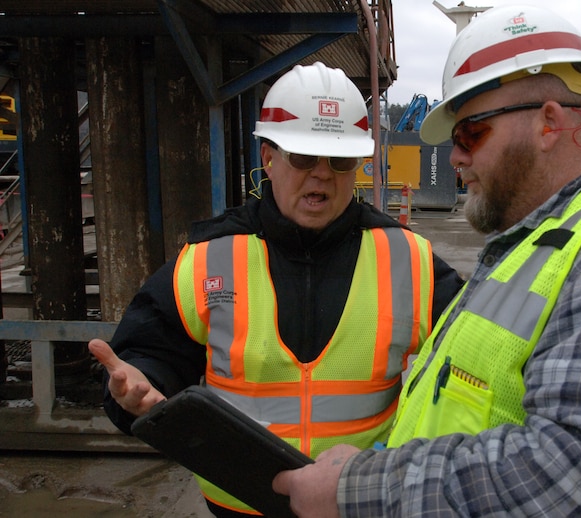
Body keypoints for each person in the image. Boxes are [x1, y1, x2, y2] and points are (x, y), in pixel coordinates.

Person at [272, 6, 581, 518]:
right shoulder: (541, 246)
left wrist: (358, 490)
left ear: (548, 122)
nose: (455, 159)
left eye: (470, 133)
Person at [88, 61, 465, 517]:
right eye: (304, 157)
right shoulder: (210, 256)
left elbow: (471, 370)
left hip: (355, 503)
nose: (322, 174)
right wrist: (140, 389)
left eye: (341, 160)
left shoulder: (409, 259)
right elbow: (153, 353)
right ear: (269, 158)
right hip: (240, 504)